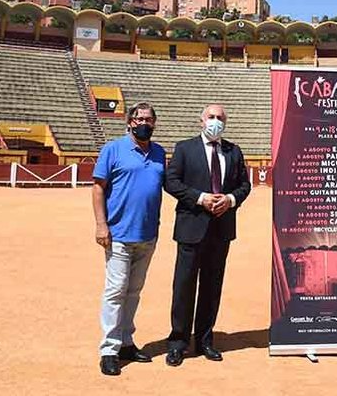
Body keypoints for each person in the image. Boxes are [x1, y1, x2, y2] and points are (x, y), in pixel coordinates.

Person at [164, 104, 251, 367]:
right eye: (211, 117)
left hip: (221, 229)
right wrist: (200, 198)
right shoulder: (184, 148)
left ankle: (204, 340)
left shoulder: (233, 151)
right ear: (201, 120)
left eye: (221, 118)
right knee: (184, 286)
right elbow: (171, 182)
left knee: (212, 287)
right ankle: (178, 341)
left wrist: (230, 199)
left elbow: (244, 185)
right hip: (191, 227)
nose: (216, 121)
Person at [92, 102, 166, 376]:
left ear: (154, 123)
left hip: (148, 234)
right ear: (129, 122)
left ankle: (125, 341)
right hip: (119, 233)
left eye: (149, 119)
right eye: (139, 118)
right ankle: (109, 349)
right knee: (115, 290)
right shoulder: (113, 149)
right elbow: (98, 188)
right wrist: (101, 225)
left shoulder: (159, 153)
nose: (144, 123)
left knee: (133, 292)